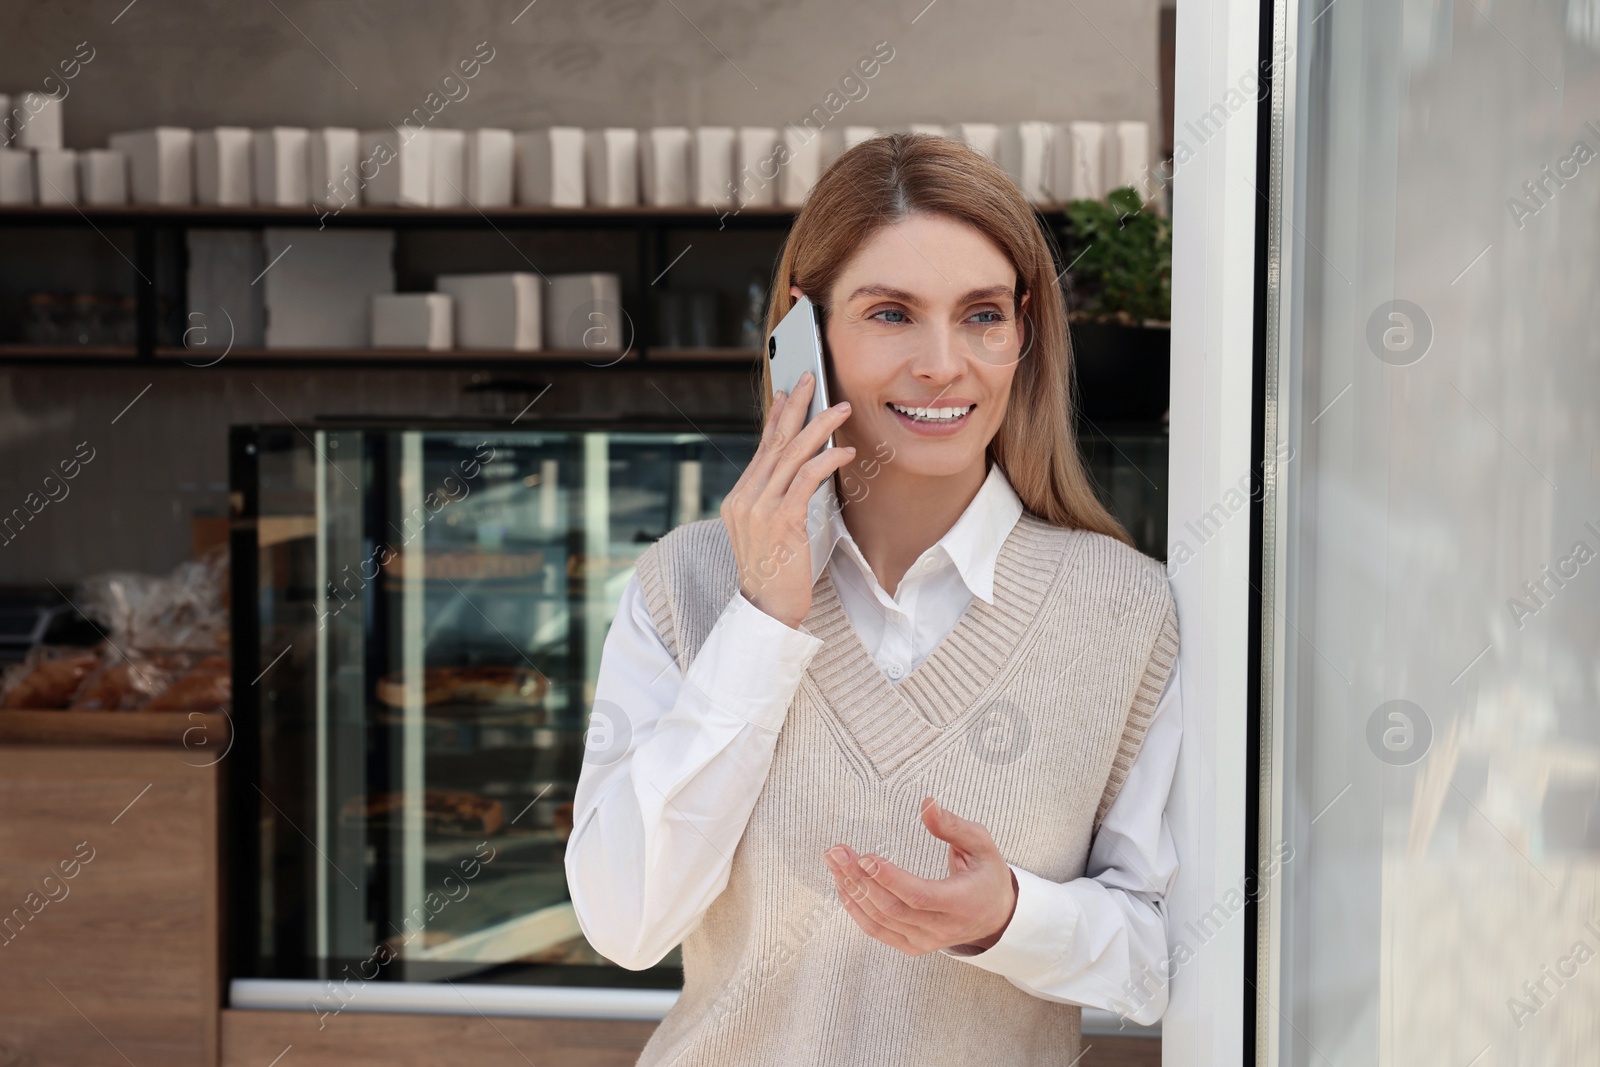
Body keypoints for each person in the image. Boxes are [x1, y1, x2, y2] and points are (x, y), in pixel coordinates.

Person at [565, 132, 1181, 1066]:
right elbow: (624, 922)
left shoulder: (1127, 612)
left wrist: (1011, 916)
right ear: (803, 336)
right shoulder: (685, 586)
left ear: (1023, 330)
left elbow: (1166, 951)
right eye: (891, 313)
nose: (943, 363)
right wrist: (763, 621)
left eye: (981, 315)